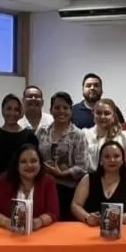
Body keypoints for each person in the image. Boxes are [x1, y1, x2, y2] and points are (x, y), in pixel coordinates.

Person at [36, 92, 88, 221]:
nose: (61, 111)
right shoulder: (42, 131)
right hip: (42, 188)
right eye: (57, 107)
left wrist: (62, 173)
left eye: (65, 108)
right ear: (51, 110)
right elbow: (33, 155)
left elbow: (82, 167)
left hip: (67, 190)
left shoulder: (78, 135)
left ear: (71, 110)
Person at [0, 144, 60, 230]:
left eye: (33, 161)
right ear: (17, 165)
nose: (29, 165)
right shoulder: (4, 180)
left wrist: (39, 221)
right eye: (23, 161)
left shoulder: (49, 181)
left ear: (40, 163)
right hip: (7, 234)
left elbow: (53, 213)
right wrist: (6, 222)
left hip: (39, 234)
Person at [72, 141, 126, 225]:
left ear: (122, 160)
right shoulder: (88, 179)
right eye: (107, 157)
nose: (112, 160)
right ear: (101, 161)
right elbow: (75, 205)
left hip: (122, 231)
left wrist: (109, 219)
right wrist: (87, 217)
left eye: (116, 156)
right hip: (89, 230)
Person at [84, 98, 126, 172]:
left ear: (113, 117)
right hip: (89, 178)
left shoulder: (124, 137)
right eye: (98, 113)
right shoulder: (84, 134)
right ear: (93, 115)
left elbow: (125, 169)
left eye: (107, 113)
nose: (102, 116)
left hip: (115, 179)